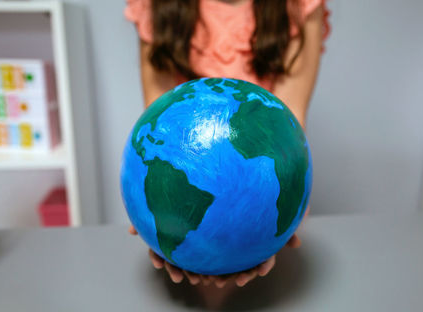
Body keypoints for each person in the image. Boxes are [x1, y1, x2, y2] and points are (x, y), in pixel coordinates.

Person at [124, 0, 330, 288]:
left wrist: (282, 216)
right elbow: (158, 121)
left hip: (259, 198)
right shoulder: (154, 5)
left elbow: (288, 125)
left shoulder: (299, 5)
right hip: (184, 207)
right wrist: (149, 207)